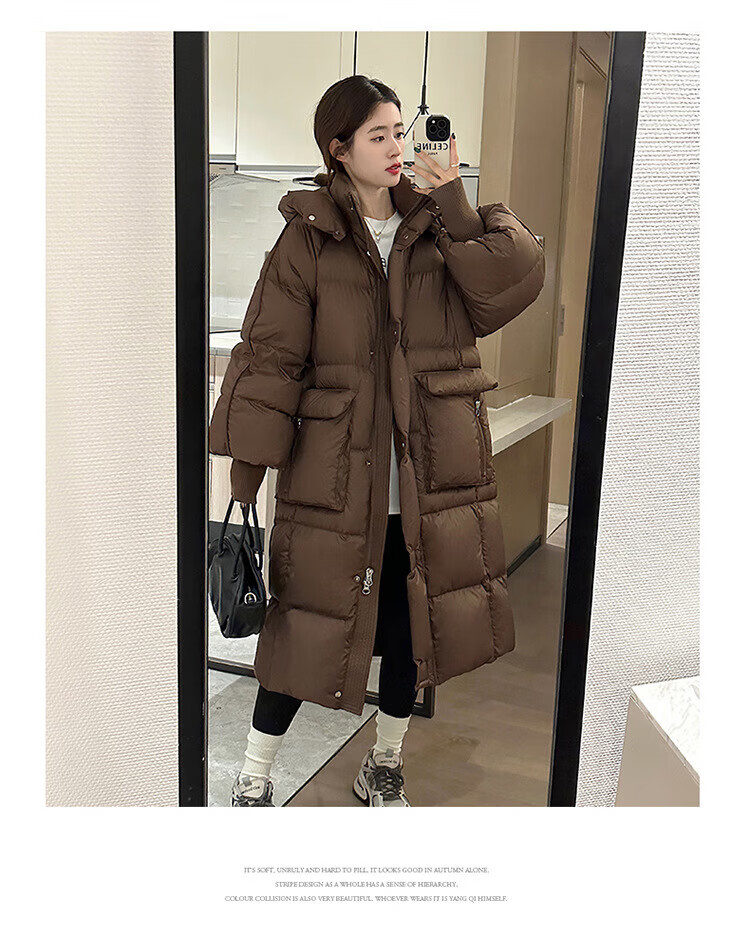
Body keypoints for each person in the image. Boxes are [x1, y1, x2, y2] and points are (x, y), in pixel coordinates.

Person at [209, 75, 546, 807]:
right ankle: (255, 774)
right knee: (303, 631)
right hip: (335, 479)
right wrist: (247, 473)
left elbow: (507, 287)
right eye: (379, 135)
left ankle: (384, 762)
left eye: (400, 131)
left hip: (428, 475)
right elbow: (270, 357)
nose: (397, 147)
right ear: (339, 148)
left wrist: (455, 200)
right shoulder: (307, 238)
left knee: (408, 633)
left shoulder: (440, 227)